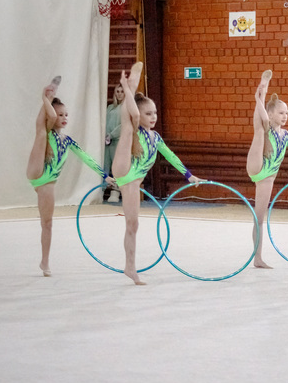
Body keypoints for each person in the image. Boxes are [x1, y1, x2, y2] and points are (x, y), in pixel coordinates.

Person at [112, 62, 201, 285]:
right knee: (129, 122)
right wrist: (127, 88)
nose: (153, 117)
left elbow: (171, 156)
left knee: (133, 225)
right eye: (148, 113)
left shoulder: (156, 137)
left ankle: (129, 266)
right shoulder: (134, 128)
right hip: (124, 169)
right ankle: (130, 86)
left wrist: (189, 175)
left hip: (133, 180)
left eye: (155, 113)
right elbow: (133, 115)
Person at [26, 77, 112, 277]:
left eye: (66, 114)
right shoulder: (47, 132)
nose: (64, 118)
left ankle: (44, 261)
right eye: (60, 114)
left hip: (47, 182)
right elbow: (48, 117)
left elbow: (86, 158)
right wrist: (47, 98)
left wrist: (105, 176)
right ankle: (47, 95)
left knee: (47, 223)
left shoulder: (68, 140)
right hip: (36, 169)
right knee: (41, 132)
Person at [246, 70, 288, 269]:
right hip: (256, 165)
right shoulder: (266, 126)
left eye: (287, 113)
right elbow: (264, 121)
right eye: (281, 113)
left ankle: (258, 258)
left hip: (267, 178)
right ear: (272, 113)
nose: (285, 116)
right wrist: (261, 100)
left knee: (259, 218)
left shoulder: (287, 135)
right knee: (261, 128)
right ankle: (261, 93)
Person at [104, 83, 124, 202]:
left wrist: (112, 135)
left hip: (118, 141)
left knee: (117, 168)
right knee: (105, 165)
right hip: (107, 141)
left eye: (122, 91)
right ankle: (101, 190)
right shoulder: (110, 107)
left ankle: (115, 192)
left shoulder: (126, 108)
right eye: (117, 91)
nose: (119, 94)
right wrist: (105, 136)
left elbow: (123, 125)